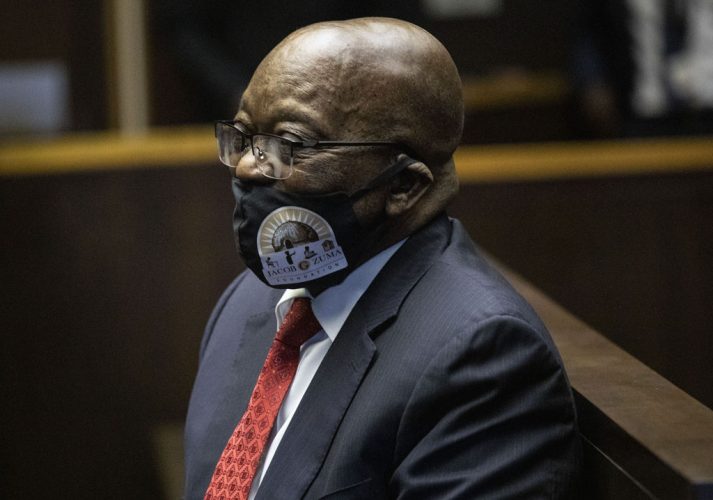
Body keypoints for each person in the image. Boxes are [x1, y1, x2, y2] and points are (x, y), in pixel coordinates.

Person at [184, 17, 580, 499]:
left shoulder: (482, 355)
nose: (248, 166)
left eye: (290, 144)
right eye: (243, 135)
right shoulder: (248, 301)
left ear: (403, 185)